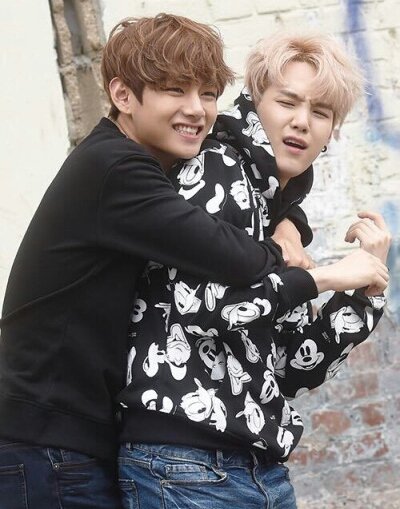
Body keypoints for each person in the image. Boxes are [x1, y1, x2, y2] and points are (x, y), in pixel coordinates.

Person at [0, 15, 314, 509]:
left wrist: (291, 218)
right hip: (47, 446)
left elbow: (247, 155)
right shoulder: (116, 169)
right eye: (174, 90)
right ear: (123, 95)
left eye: (208, 93)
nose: (197, 110)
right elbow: (235, 255)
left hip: (66, 441)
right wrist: (293, 256)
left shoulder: (133, 165)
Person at [117, 31, 391, 509]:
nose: (302, 121)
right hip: (183, 461)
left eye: (321, 112)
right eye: (287, 102)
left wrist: (363, 294)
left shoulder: (272, 208)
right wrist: (326, 277)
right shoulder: (217, 169)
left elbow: (290, 368)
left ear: (332, 133)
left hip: (254, 466)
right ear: (254, 103)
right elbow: (203, 308)